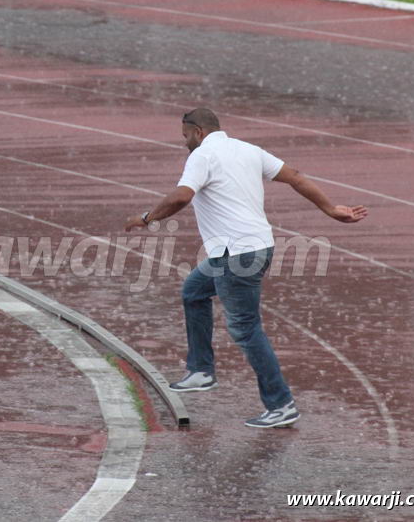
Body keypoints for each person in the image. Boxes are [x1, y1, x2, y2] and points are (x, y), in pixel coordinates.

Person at [125, 108, 368, 428]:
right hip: (256, 247)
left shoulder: (202, 155)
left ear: (197, 132)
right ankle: (201, 370)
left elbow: (182, 196)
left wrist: (146, 218)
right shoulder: (248, 150)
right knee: (194, 291)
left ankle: (280, 404)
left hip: (235, 256)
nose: (184, 143)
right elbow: (294, 175)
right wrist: (330, 209)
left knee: (246, 329)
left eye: (185, 136)